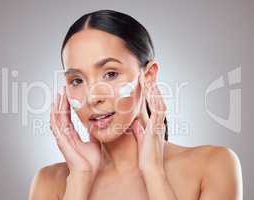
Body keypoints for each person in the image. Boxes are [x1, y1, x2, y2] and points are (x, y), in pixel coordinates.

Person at [29, 9, 243, 200]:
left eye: (111, 74)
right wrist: (80, 179)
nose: (93, 98)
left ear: (148, 75)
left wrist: (153, 173)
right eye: (77, 80)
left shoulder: (213, 166)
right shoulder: (50, 183)